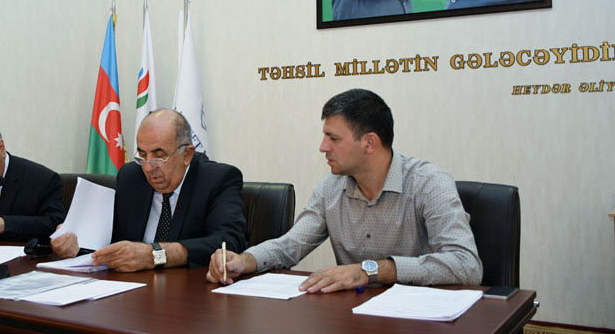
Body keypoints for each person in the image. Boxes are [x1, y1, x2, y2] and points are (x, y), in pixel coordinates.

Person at [207, 89, 482, 292]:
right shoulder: (331, 187)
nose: (323, 147)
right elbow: (291, 245)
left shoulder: (429, 184)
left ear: (370, 143)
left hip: (422, 317)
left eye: (333, 138)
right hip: (353, 316)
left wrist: (372, 270)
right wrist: (244, 260)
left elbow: (466, 265)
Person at [51, 109, 246, 271]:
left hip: (189, 295)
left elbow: (229, 242)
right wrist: (76, 243)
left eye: (159, 156)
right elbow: (111, 238)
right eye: (142, 155)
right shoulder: (131, 177)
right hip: (129, 290)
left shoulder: (217, 180)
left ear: (186, 154)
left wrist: (156, 255)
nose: (148, 167)